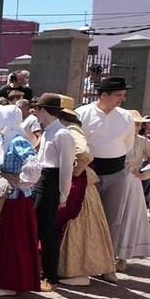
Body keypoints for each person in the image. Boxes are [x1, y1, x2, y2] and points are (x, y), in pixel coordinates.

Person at [0, 103, 41, 296]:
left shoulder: (18, 140)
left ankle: (7, 281)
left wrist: (22, 180)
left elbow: (33, 163)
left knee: (10, 237)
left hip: (13, 197)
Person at [76, 77, 137, 271]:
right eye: (119, 95)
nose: (122, 99)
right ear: (104, 95)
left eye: (124, 95)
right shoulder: (82, 113)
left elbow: (128, 144)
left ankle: (106, 263)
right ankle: (81, 260)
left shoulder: (126, 117)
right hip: (88, 173)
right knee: (83, 217)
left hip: (116, 173)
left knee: (113, 220)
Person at [57, 113, 117, 286]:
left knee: (79, 227)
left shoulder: (71, 130)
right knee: (89, 228)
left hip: (80, 186)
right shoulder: (70, 130)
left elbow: (83, 154)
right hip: (81, 184)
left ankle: (77, 270)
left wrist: (74, 171)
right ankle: (102, 268)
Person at [30, 95, 77, 290]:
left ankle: (50, 276)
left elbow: (67, 168)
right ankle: (40, 271)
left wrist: (63, 194)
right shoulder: (48, 131)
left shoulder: (61, 134)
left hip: (51, 183)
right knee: (38, 228)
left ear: (43, 109)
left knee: (48, 231)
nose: (35, 113)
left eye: (37, 109)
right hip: (40, 181)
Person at [118, 110, 150, 261]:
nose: (137, 127)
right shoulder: (114, 138)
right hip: (111, 181)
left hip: (131, 184)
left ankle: (122, 257)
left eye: (139, 124)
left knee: (127, 218)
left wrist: (143, 175)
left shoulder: (142, 141)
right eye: (135, 123)